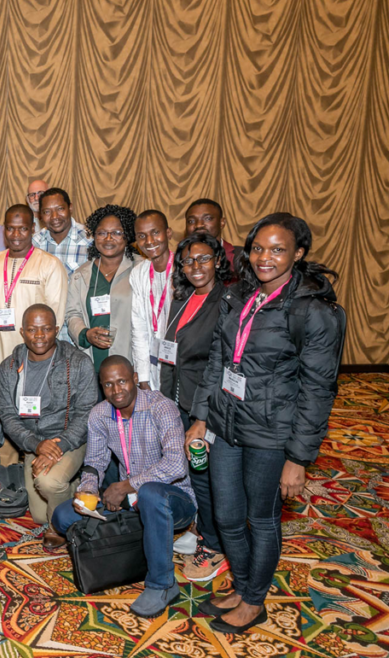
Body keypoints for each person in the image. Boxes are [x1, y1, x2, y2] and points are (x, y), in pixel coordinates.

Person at [188, 213, 344, 634]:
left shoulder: (313, 311)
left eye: (278, 249)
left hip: (272, 433)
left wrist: (299, 458)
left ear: (299, 253)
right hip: (226, 423)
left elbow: (318, 390)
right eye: (258, 248)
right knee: (227, 514)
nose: (265, 257)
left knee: (261, 518)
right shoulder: (240, 296)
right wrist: (202, 416)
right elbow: (219, 359)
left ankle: (255, 599)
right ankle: (242, 585)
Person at [51, 356, 196, 618]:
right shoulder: (100, 414)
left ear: (134, 378)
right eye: (108, 385)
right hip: (131, 501)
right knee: (63, 516)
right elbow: (95, 461)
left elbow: (177, 465)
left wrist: (126, 486)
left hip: (173, 501)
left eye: (121, 381)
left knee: (151, 493)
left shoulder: (161, 408)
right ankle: (142, 535)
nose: (116, 390)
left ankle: (163, 584)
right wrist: (89, 489)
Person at [159, 232, 234, 583]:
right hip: (180, 398)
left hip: (207, 406)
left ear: (218, 260)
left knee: (208, 475)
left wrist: (201, 417)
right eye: (188, 261)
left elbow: (220, 365)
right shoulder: (184, 297)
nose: (195, 267)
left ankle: (214, 545)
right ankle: (204, 529)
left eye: (203, 259)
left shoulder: (227, 303)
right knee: (193, 472)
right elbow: (170, 352)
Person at [0, 205, 69, 469]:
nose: (16, 234)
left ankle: (40, 473)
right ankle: (10, 479)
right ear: (3, 230)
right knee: (6, 416)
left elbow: (56, 317)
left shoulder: (50, 265)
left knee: (36, 418)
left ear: (33, 228)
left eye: (22, 228)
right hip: (0, 358)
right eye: (10, 228)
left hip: (36, 360)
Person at [0, 305, 96, 534]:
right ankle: (70, 485)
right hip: (33, 442)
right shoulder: (9, 367)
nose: (39, 336)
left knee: (48, 484)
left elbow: (85, 413)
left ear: (57, 330)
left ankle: (60, 527)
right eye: (32, 329)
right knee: (39, 516)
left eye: (46, 329)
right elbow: (8, 416)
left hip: (70, 440)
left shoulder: (78, 363)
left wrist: (58, 446)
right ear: (22, 332)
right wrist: (36, 445)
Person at [65, 205, 141, 376]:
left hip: (129, 362)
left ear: (127, 235)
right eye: (101, 233)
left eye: (116, 233)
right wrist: (85, 334)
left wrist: (141, 367)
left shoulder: (141, 269)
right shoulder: (81, 274)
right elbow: (72, 313)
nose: (108, 238)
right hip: (91, 361)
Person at [130, 210, 174, 391]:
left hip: (181, 362)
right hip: (153, 359)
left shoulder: (185, 269)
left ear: (168, 233)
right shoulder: (139, 272)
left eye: (155, 232)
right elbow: (138, 329)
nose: (149, 241)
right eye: (142, 236)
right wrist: (143, 378)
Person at [32, 187, 92, 275]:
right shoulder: (34, 243)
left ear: (70, 208)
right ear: (40, 215)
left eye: (60, 209)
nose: (54, 217)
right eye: (47, 212)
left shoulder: (89, 240)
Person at [184, 198, 238, 272]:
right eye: (191, 221)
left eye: (207, 218)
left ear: (222, 222)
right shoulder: (180, 260)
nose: (199, 225)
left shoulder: (240, 257)